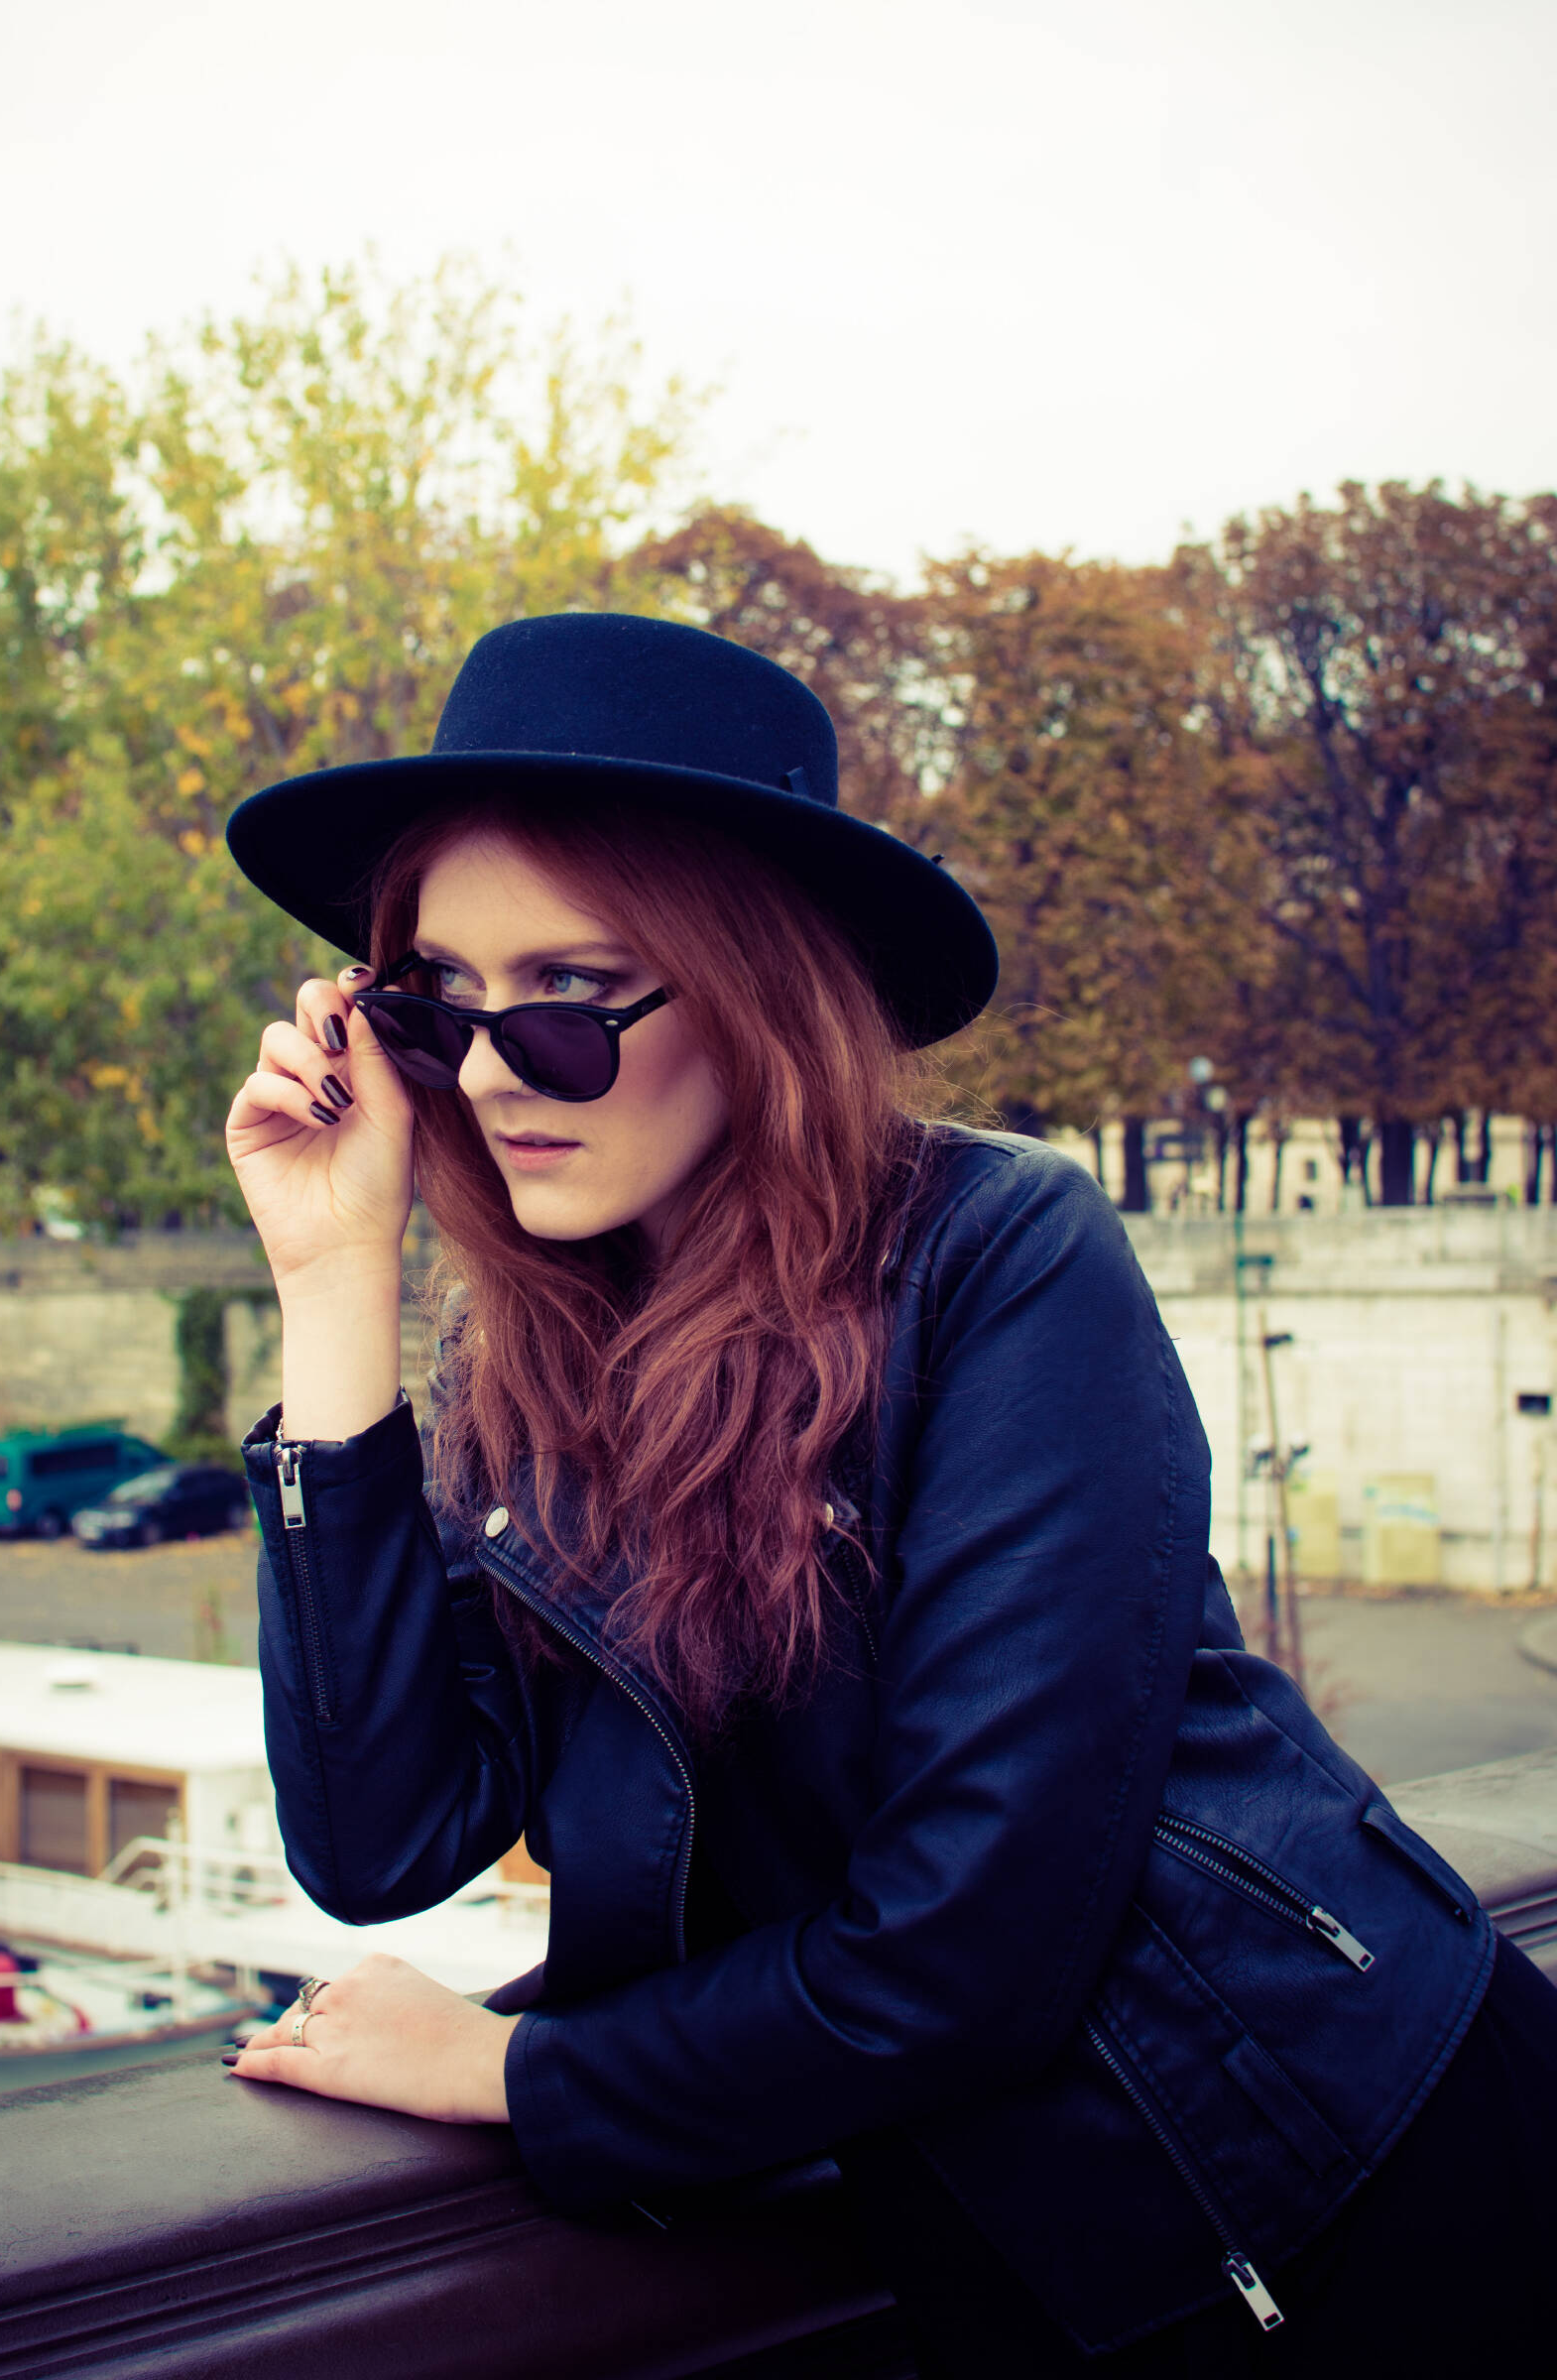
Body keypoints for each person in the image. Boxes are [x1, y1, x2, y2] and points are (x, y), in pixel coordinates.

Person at [219, 613, 1557, 2371]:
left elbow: (972, 1932)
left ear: (761, 989)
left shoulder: (1000, 1256)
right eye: (435, 1005)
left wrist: (527, 2070)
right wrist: (331, 1287)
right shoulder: (531, 1363)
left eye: (567, 998)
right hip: (1017, 2267)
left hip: (1357, 2185)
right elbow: (382, 1839)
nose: (481, 1073)